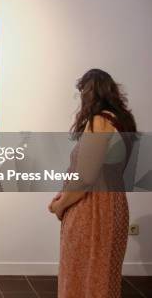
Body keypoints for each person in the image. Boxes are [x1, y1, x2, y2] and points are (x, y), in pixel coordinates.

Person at [48, 68, 138, 298]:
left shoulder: (100, 120)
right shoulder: (123, 120)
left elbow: (86, 177)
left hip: (93, 210)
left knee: (82, 277)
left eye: (83, 92)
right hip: (115, 206)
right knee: (103, 277)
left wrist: (60, 205)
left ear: (90, 93)